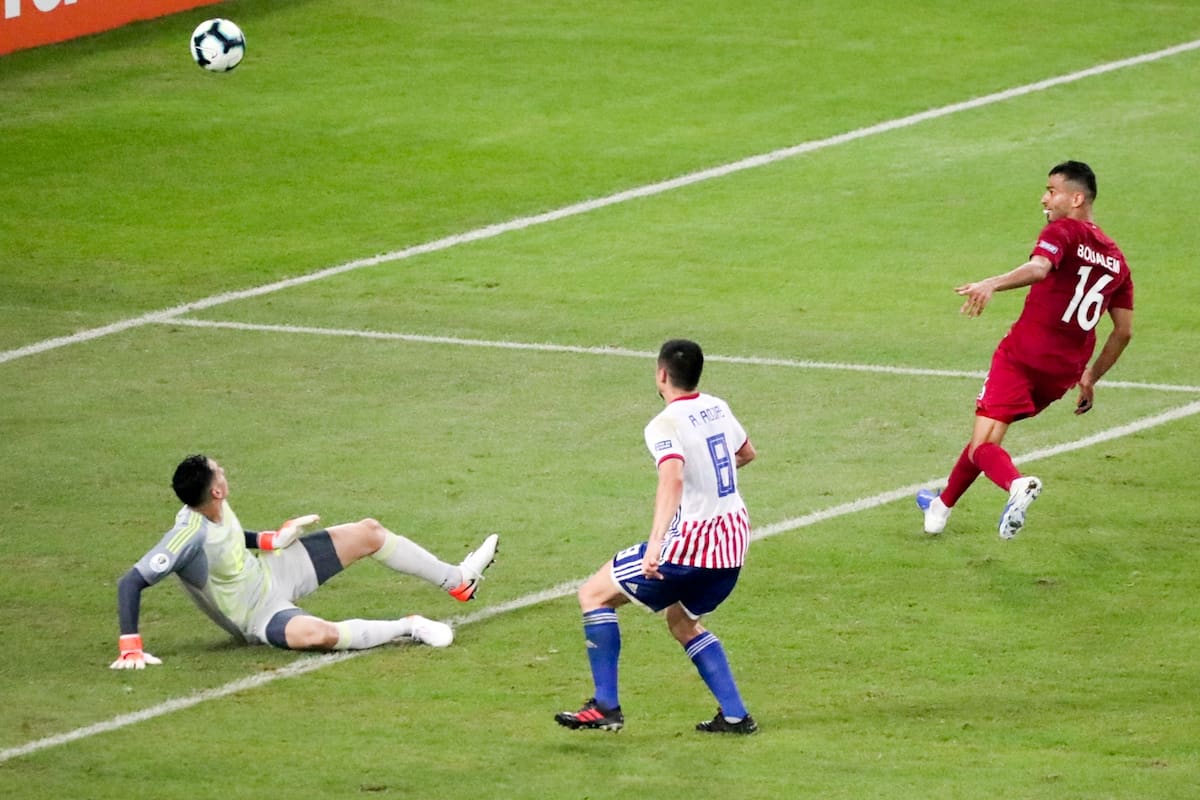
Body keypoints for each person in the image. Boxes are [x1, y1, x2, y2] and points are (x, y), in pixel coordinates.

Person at [109, 454, 498, 668]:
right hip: (258, 615)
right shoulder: (185, 535)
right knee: (320, 636)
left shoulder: (214, 507)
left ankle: (458, 580)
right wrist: (130, 646)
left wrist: (270, 539)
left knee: (368, 531)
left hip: (272, 570)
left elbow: (228, 541)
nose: (225, 471)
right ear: (216, 488)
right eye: (220, 471)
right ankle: (409, 627)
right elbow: (132, 581)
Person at [918, 160, 1134, 539]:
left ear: (1076, 198)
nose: (1044, 199)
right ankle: (940, 507)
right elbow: (1123, 331)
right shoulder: (1118, 261)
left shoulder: (1064, 231)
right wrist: (1090, 376)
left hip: (1023, 356)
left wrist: (991, 283)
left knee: (986, 444)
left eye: (1052, 191)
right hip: (1064, 371)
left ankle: (1017, 485)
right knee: (987, 433)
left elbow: (1039, 268)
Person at [555, 339, 759, 734]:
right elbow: (746, 453)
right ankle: (735, 715)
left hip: (691, 547)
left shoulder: (663, 425)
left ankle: (605, 707)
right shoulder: (717, 406)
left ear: (662, 374)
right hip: (733, 545)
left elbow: (672, 477)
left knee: (593, 595)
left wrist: (655, 543)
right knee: (682, 622)